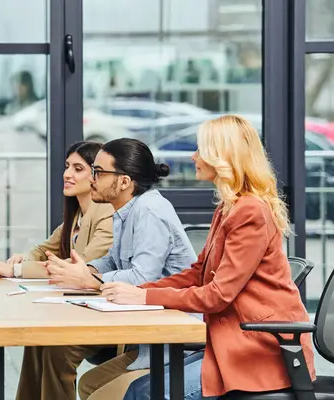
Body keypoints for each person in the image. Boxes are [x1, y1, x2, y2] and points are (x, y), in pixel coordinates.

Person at [98, 115, 316, 399]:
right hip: (230, 343)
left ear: (222, 156)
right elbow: (198, 273)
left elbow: (217, 295)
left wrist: (144, 298)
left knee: (142, 393)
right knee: (140, 389)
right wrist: (138, 290)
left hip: (258, 351)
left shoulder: (250, 212)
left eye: (201, 150)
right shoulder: (229, 208)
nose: (193, 156)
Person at [18, 138, 197, 400]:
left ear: (124, 182)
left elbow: (142, 277)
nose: (92, 178)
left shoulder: (149, 211)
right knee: (86, 381)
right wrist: (85, 270)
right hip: (140, 328)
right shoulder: (124, 210)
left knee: (89, 384)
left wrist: (92, 281)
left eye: (98, 172)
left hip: (173, 339)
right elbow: (112, 262)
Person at [0, 141, 113, 279]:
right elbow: (44, 249)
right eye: (67, 167)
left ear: (97, 175)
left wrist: (16, 270)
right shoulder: (78, 215)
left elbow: (82, 264)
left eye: (78, 169)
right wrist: (24, 258)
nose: (67, 174)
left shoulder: (107, 213)